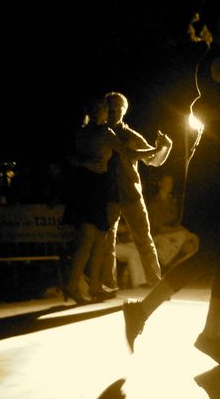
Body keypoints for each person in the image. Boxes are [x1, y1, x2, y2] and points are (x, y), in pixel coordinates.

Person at [121, 0, 220, 366]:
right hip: (214, 169)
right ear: (219, 25)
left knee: (219, 253)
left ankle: (165, 319)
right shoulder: (215, 63)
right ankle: (202, 331)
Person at [101, 92, 173, 294]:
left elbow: (154, 161)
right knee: (108, 243)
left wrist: (166, 147)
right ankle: (109, 285)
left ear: (124, 110)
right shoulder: (101, 134)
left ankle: (156, 284)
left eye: (117, 107)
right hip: (109, 195)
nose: (113, 111)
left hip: (131, 194)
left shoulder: (131, 136)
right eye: (110, 107)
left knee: (144, 240)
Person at [62, 95, 123, 303]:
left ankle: (94, 285)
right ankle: (73, 285)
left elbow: (72, 158)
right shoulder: (104, 132)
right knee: (90, 240)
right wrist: (154, 150)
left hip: (87, 186)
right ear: (101, 112)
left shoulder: (81, 131)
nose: (108, 114)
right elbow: (127, 150)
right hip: (95, 186)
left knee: (97, 239)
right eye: (106, 110)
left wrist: (84, 163)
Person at [115, 173, 199, 288]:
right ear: (160, 184)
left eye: (171, 183)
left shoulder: (172, 202)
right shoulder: (153, 204)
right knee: (140, 251)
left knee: (191, 241)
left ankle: (177, 274)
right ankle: (145, 282)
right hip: (157, 236)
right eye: (167, 183)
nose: (170, 185)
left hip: (164, 235)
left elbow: (174, 223)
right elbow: (157, 228)